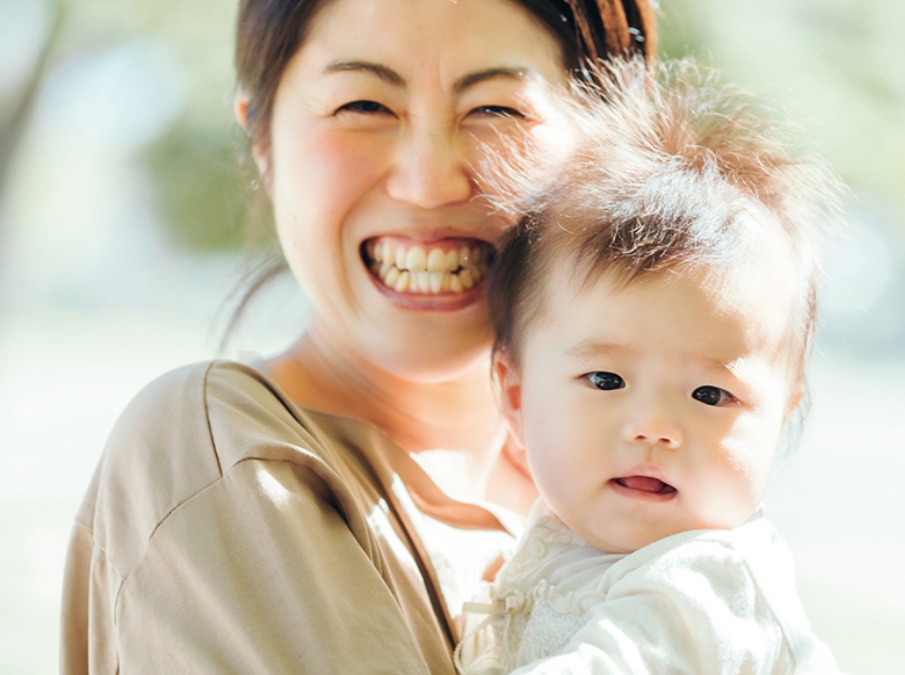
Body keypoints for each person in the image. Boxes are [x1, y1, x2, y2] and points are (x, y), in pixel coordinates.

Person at [60, 1, 655, 673]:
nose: (429, 182)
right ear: (262, 142)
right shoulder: (220, 455)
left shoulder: (658, 476)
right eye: (363, 105)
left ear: (611, 146)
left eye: (496, 108)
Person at [454, 57, 845, 673]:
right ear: (517, 396)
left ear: (781, 416)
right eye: (606, 380)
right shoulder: (564, 533)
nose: (654, 427)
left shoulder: (706, 581)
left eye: (710, 395)